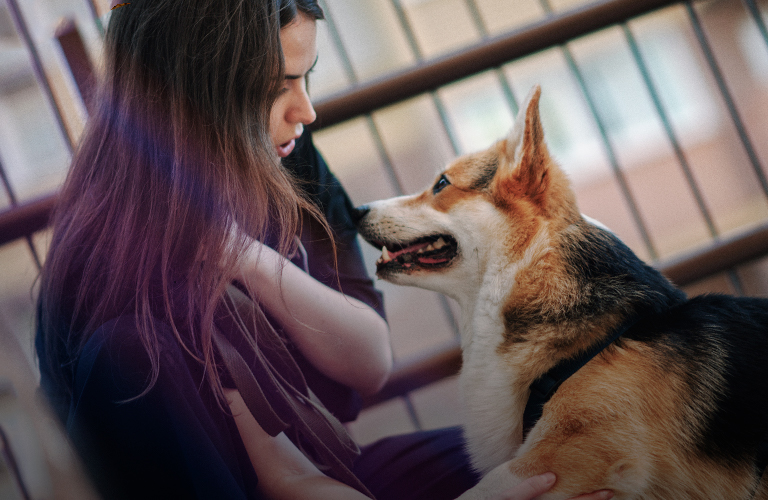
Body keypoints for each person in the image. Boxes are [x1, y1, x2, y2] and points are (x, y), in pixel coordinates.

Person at [35, 0, 612, 499]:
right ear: (199, 92)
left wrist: (244, 256)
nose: (305, 110)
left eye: (306, 76)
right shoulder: (127, 315)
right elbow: (282, 485)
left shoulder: (278, 156)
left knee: (571, 466)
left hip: (329, 472)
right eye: (275, 87)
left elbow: (367, 363)